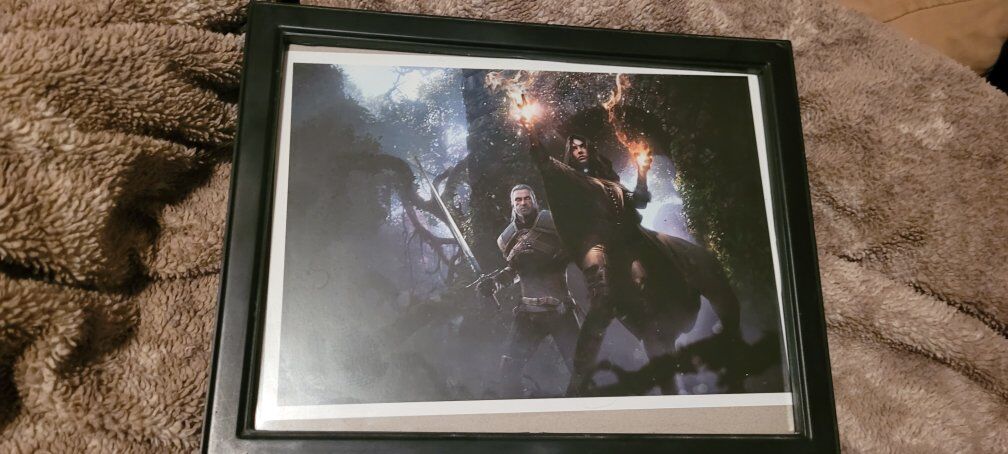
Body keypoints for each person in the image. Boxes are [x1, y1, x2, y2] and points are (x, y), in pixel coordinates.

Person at [477, 184, 581, 398]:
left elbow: (575, 251)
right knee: (508, 372)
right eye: (518, 200)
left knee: (581, 370)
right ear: (512, 204)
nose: (523, 203)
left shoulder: (554, 224)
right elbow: (513, 271)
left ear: (534, 201)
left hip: (560, 310)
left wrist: (556, 260)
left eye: (527, 198)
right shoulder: (507, 238)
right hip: (528, 313)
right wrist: (494, 283)